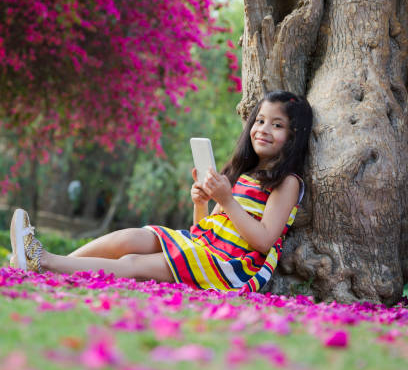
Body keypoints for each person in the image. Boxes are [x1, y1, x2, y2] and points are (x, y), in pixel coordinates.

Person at [9, 90, 313, 292]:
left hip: (232, 265)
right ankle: (48, 266)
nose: (262, 129)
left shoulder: (287, 182)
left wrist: (226, 199)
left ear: (293, 136)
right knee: (129, 237)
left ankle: (44, 260)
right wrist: (202, 203)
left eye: (277, 125)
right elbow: (202, 231)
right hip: (208, 248)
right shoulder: (244, 173)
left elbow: (262, 241)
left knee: (132, 265)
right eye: (259, 120)